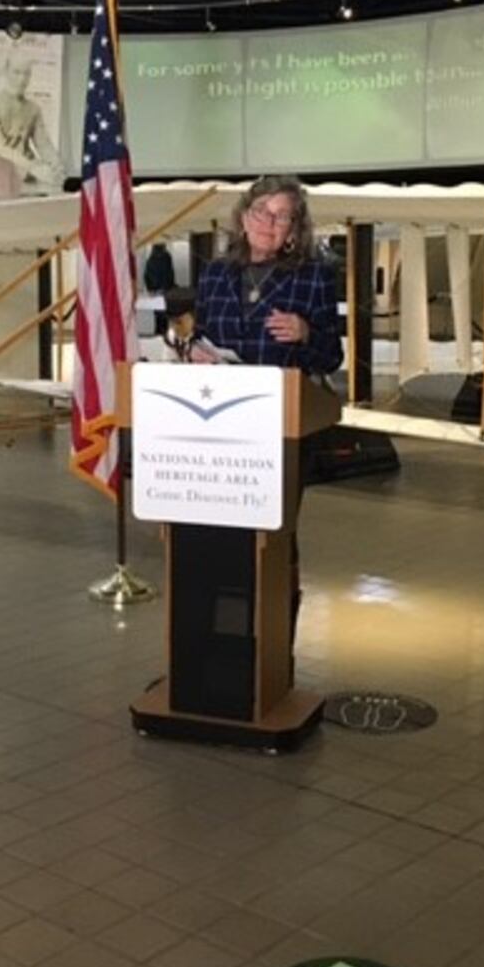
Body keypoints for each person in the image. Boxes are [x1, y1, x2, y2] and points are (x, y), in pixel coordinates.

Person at [192, 175, 343, 633]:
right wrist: (194, 352)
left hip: (279, 429)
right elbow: (201, 333)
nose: (269, 222)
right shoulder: (216, 273)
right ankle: (220, 640)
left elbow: (331, 356)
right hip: (218, 425)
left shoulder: (314, 275)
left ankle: (276, 645)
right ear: (243, 217)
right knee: (219, 540)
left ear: (295, 229)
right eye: (261, 211)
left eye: (282, 216)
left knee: (274, 539)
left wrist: (306, 332)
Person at [0, 58, 64, 187]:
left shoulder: (33, 109)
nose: (22, 79)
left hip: (27, 178)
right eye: (16, 72)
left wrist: (57, 166)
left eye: (26, 73)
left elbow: (43, 143)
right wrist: (33, 167)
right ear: (6, 72)